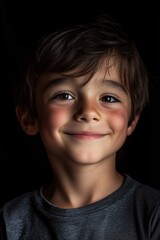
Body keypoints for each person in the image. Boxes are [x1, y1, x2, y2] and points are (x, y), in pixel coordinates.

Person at [0, 13, 160, 240]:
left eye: (109, 98)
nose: (88, 112)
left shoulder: (153, 213)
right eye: (64, 95)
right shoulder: (11, 222)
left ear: (132, 121)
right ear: (29, 118)